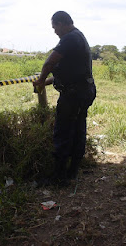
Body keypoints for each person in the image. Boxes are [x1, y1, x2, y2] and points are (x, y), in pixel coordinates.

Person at [33, 11, 96, 186]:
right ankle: (72, 172)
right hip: (84, 91)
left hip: (74, 95)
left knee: (62, 133)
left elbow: (49, 63)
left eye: (55, 27)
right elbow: (72, 72)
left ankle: (59, 177)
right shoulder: (78, 37)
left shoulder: (69, 38)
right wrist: (46, 82)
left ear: (62, 24)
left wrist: (39, 80)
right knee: (77, 131)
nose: (55, 32)